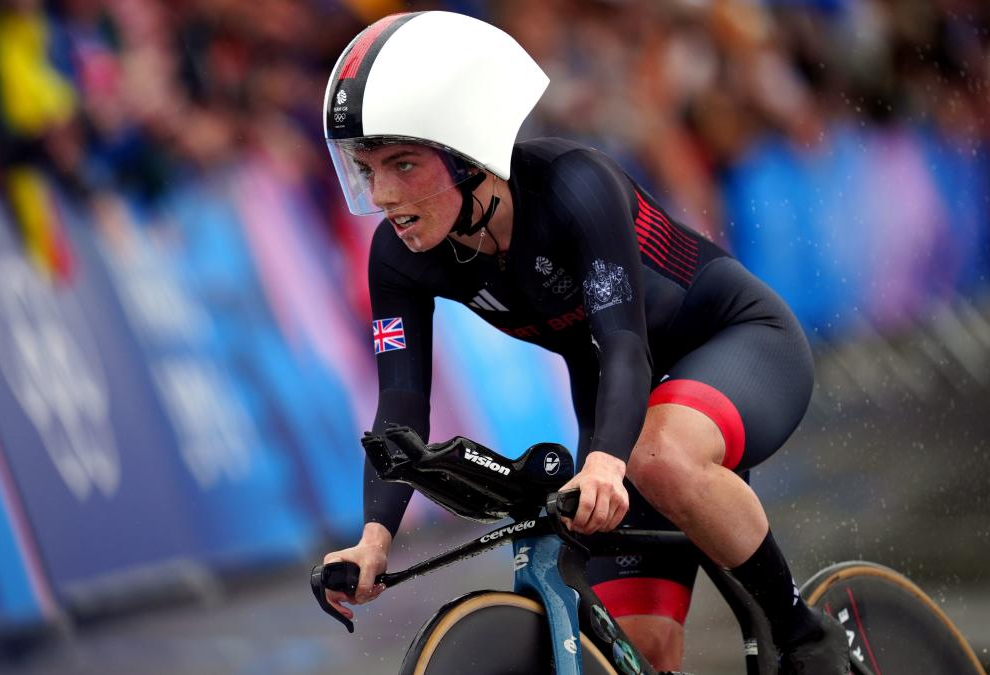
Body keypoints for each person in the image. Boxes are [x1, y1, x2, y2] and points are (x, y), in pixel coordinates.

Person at [318, 11, 849, 675]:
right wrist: (374, 540)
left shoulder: (574, 184)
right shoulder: (397, 256)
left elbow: (625, 345)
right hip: (616, 399)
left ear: (468, 154)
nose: (384, 195)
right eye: (367, 169)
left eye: (403, 164)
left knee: (653, 455)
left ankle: (804, 634)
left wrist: (604, 461)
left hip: (735, 343)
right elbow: (400, 403)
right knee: (639, 650)